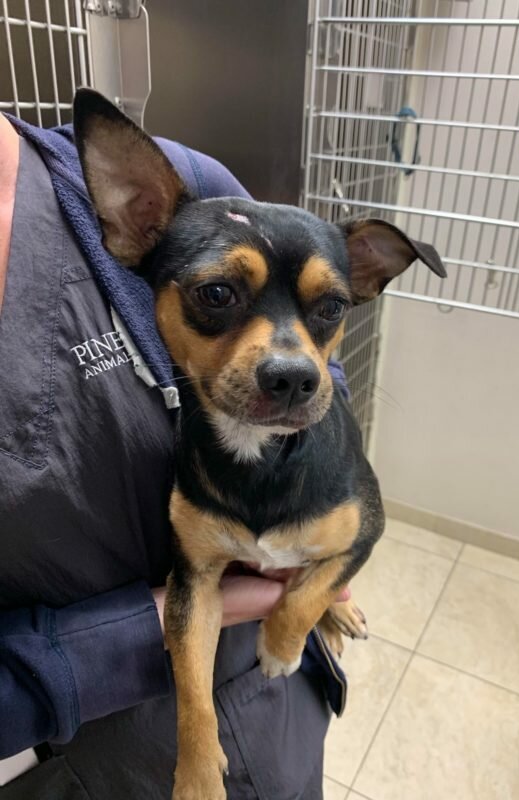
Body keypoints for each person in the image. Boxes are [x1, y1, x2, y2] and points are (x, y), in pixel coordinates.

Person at [0, 109, 348, 799]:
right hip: (91, 760)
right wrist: (153, 621)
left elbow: (321, 378)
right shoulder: (156, 208)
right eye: (217, 296)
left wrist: (322, 546)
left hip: (279, 711)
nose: (289, 363)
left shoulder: (189, 182)